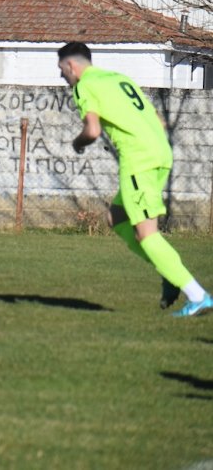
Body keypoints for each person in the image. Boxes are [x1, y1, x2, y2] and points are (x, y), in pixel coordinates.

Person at [57, 41, 212, 318]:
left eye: (61, 70)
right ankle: (169, 273)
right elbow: (155, 117)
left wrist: (77, 143)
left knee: (145, 233)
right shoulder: (118, 78)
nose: (62, 77)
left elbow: (92, 131)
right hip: (160, 152)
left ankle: (197, 295)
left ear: (71, 65)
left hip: (138, 159)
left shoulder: (84, 86)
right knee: (116, 217)